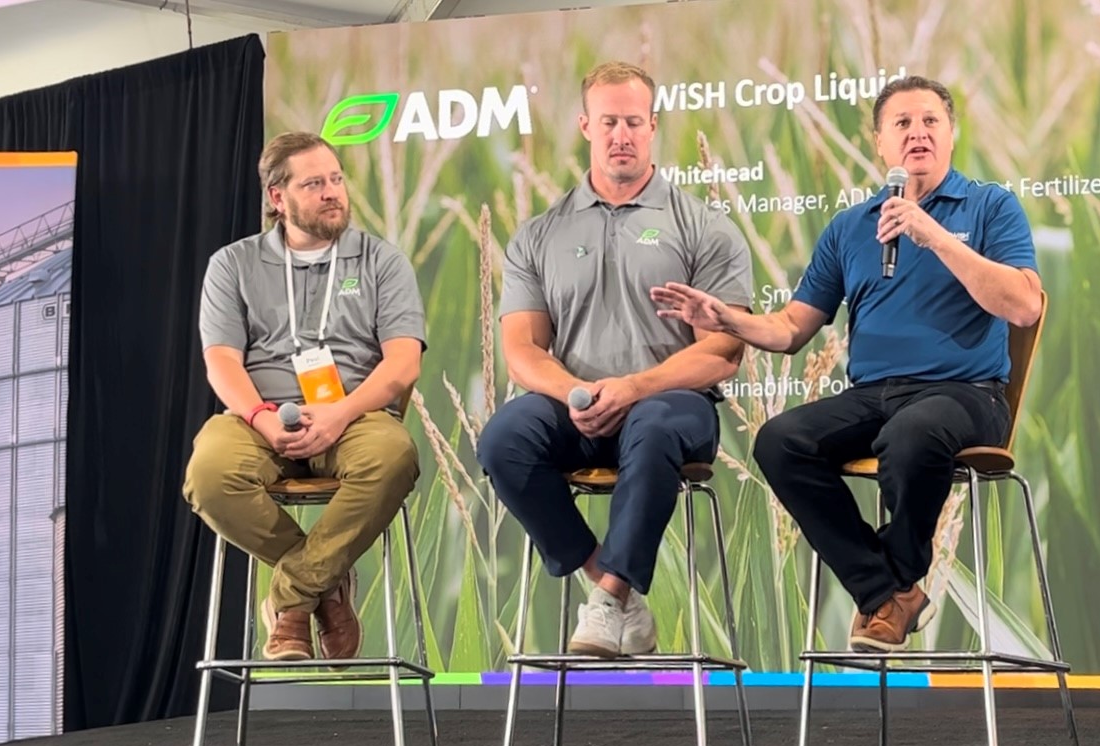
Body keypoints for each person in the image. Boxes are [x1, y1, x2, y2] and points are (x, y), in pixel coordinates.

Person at [652, 76, 1043, 653]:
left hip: (966, 392)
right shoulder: (850, 229)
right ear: (880, 144)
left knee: (912, 433)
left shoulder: (989, 206)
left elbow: (1025, 303)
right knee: (781, 441)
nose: (918, 133)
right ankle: (887, 592)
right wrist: (728, 318)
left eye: (930, 121)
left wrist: (933, 235)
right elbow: (791, 330)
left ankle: (893, 582)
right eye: (902, 124)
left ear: (951, 134)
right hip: (875, 394)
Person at [476, 61, 752, 658]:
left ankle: (606, 602)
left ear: (653, 127)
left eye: (633, 121)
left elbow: (724, 351)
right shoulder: (539, 233)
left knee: (652, 425)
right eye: (608, 122)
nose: (620, 134)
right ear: (585, 126)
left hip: (673, 408)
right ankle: (614, 591)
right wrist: (578, 392)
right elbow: (522, 349)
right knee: (503, 439)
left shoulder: (705, 228)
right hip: (573, 406)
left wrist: (633, 387)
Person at [183, 131, 426, 662]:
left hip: (354, 414)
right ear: (278, 197)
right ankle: (327, 591)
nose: (332, 192)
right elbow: (221, 360)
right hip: (259, 416)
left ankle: (292, 599)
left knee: (393, 458)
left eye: (336, 179)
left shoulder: (381, 261)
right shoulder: (233, 264)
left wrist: (341, 413)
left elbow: (404, 361)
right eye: (314, 183)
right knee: (208, 473)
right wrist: (262, 419)